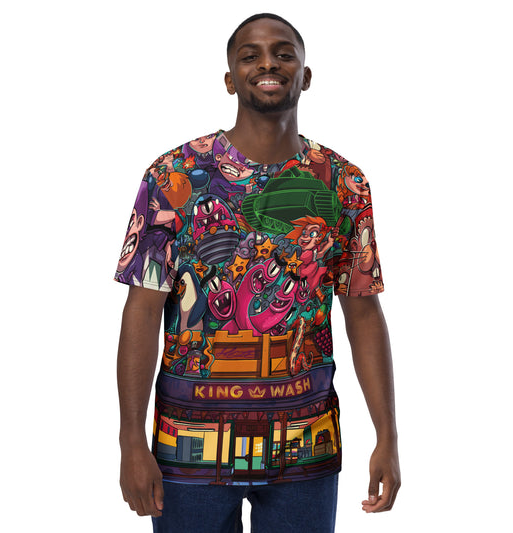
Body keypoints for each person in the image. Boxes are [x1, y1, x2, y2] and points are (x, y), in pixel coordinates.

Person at [114, 13, 400, 532]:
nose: (268, 63)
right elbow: (142, 311)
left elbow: (363, 313)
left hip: (305, 446)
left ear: (305, 75)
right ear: (230, 79)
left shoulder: (344, 183)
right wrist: (130, 439)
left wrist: (388, 436)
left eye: (284, 53)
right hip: (188, 449)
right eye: (251, 55)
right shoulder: (173, 176)